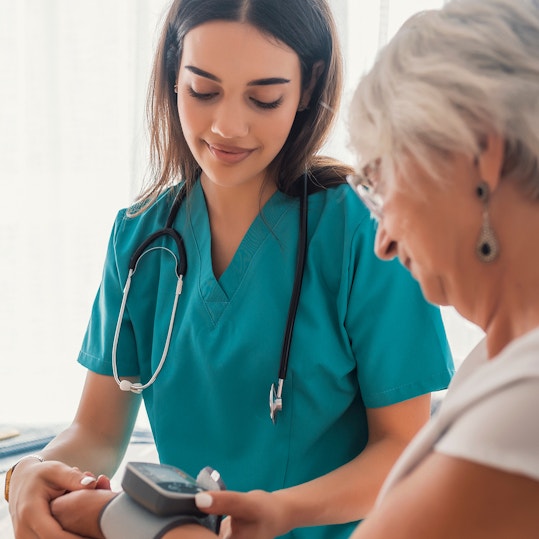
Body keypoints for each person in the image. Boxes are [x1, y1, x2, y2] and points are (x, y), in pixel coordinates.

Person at [5, 0, 453, 538]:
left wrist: (279, 512)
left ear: (308, 88)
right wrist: (30, 473)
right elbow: (96, 432)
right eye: (203, 91)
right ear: (173, 75)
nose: (227, 126)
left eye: (264, 98)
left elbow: (403, 450)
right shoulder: (141, 239)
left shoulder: (366, 229)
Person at [182, 0, 539, 537]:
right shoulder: (496, 363)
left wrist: (135, 526)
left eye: (385, 183)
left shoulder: (524, 399)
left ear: (482, 157)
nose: (385, 241)